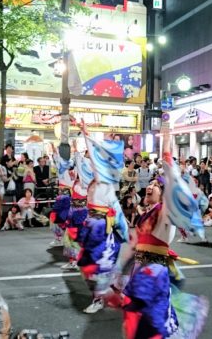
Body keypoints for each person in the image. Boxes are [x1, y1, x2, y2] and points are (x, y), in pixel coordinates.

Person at [122, 135, 208, 339]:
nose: (150, 187)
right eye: (150, 185)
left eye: (156, 185)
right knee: (137, 321)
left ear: (163, 194)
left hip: (154, 273)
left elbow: (172, 186)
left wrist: (167, 156)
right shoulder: (148, 213)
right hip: (141, 269)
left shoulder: (164, 212)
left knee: (150, 324)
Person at [76, 130, 129, 314]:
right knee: (91, 265)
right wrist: (77, 150)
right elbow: (83, 164)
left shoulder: (104, 182)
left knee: (99, 266)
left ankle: (99, 299)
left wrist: (86, 135)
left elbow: (93, 160)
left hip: (103, 229)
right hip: (94, 226)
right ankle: (118, 292)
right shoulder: (93, 181)